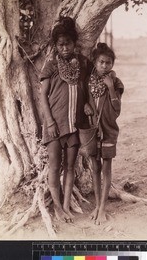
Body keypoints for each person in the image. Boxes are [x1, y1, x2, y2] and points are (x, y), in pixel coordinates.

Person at [40, 16, 92, 222]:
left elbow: (86, 87)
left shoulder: (82, 64)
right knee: (55, 166)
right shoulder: (51, 66)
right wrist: (50, 122)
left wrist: (87, 102)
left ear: (74, 43)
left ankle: (66, 204)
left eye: (68, 43)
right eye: (60, 44)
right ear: (55, 45)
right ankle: (57, 209)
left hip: (74, 125)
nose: (64, 48)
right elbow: (43, 95)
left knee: (70, 167)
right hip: (55, 125)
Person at [84, 42, 124, 225]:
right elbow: (84, 102)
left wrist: (110, 88)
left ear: (112, 64)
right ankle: (97, 204)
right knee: (95, 168)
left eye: (108, 63)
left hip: (108, 131)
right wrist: (85, 105)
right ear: (95, 62)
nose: (105, 66)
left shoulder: (116, 82)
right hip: (93, 130)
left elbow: (117, 110)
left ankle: (102, 208)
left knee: (106, 169)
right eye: (101, 62)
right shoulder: (88, 81)